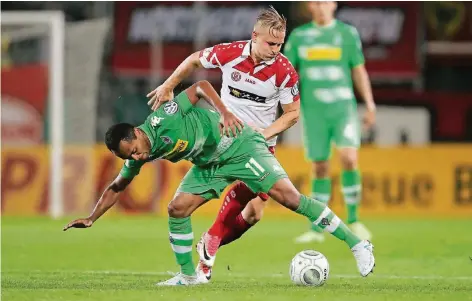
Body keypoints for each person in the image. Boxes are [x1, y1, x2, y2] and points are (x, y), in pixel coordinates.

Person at [63, 80, 375, 286]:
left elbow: (199, 87)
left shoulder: (165, 117)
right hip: (209, 163)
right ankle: (188, 277)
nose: (137, 158)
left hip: (238, 144)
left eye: (134, 151)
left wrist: (225, 112)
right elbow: (117, 186)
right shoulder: (136, 154)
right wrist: (92, 217)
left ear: (136, 133)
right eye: (129, 157)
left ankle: (357, 243)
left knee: (289, 198)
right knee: (178, 207)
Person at [147, 6, 301, 280]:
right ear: (254, 35)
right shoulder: (230, 53)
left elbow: (291, 115)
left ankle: (209, 241)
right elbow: (195, 60)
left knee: (254, 214)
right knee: (194, 203)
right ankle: (206, 256)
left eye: (280, 43)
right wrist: (169, 85)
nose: (276, 49)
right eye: (270, 43)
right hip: (224, 137)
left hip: (260, 142)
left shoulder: (285, 70)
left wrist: (261, 135)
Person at [284, 1, 376, 244]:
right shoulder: (300, 36)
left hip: (343, 109)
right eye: (316, 2)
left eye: (326, 1)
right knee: (320, 166)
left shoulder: (347, 34)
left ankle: (354, 220)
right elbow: (287, 73)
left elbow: (358, 70)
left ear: (334, 5)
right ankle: (317, 229)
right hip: (314, 111)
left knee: (349, 157)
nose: (321, 6)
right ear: (310, 7)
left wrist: (369, 102)